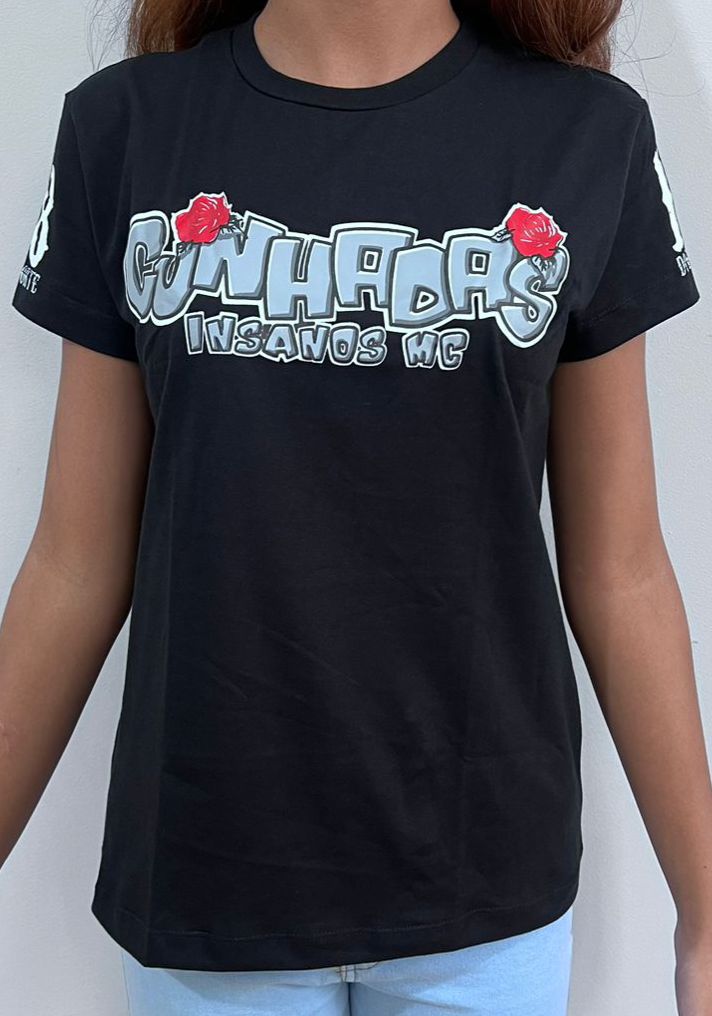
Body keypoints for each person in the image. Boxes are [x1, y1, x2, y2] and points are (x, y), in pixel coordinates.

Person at [2, 0, 710, 1013]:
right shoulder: (127, 127)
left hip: (483, 879)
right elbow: (74, 563)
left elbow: (621, 568)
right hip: (208, 879)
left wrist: (704, 910)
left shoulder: (586, 134)